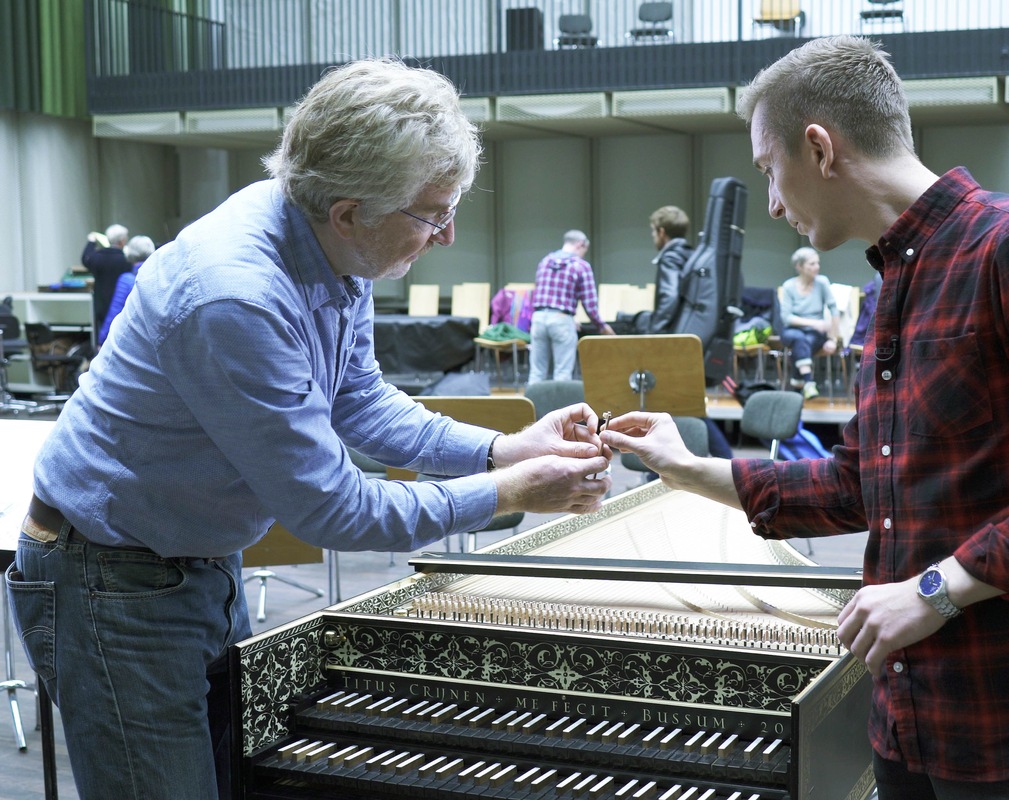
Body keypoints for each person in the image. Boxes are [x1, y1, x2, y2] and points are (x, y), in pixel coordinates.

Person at [6, 58, 613, 800]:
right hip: (111, 577)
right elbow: (332, 508)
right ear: (349, 210)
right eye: (432, 214)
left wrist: (499, 448)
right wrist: (507, 490)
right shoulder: (236, 296)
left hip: (186, 556)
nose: (448, 235)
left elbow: (357, 398)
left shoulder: (333, 241)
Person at [599, 35, 1009, 799]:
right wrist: (688, 467)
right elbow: (859, 483)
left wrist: (941, 588)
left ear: (819, 148)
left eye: (771, 170)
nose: (772, 202)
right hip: (905, 715)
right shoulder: (890, 289)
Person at [527, 229, 614, 383]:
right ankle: (561, 407)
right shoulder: (581, 265)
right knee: (562, 374)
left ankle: (533, 407)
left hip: (538, 319)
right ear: (580, 245)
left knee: (536, 373)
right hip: (561, 320)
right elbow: (590, 303)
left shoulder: (545, 261)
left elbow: (539, 294)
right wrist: (601, 326)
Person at [779, 245, 840, 399]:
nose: (817, 267)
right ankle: (808, 382)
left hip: (815, 333)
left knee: (802, 342)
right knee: (799, 338)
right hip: (792, 330)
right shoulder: (788, 286)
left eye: (817, 263)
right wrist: (814, 323)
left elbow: (834, 310)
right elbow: (786, 318)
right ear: (799, 266)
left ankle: (801, 383)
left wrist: (833, 339)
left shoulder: (822, 282)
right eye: (812, 264)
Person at [642, 205, 694, 334]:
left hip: (672, 334)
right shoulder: (692, 255)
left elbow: (669, 296)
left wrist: (653, 333)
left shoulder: (670, 258)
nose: (652, 236)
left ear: (662, 232)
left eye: (653, 231)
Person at [97, 234, 156, 346]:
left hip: (133, 342)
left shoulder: (127, 280)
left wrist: (102, 340)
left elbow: (115, 312)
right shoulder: (159, 276)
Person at [81, 222, 131, 334]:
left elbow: (85, 258)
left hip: (101, 306)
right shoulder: (126, 260)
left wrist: (91, 241)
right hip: (121, 307)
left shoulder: (97, 258)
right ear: (122, 241)